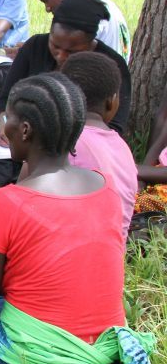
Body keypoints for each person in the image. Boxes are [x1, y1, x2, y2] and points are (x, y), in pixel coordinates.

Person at [0, 73, 159, 364]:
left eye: (7, 118)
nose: (4, 127)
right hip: (104, 356)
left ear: (24, 131)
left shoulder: (4, 203)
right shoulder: (104, 187)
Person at [0, 0, 131, 207]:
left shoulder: (108, 66)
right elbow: (5, 100)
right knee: (1, 161)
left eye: (72, 50)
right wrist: (4, 125)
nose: (60, 56)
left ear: (91, 41)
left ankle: (14, 196)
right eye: (55, 46)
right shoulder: (34, 47)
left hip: (71, 153)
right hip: (23, 140)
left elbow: (114, 126)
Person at [60, 52, 136, 240]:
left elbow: (28, 203)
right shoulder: (121, 147)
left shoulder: (65, 142)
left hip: (67, 256)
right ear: (112, 101)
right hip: (112, 257)